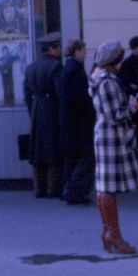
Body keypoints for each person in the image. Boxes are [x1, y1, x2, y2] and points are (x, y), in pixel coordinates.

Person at [90, 40, 138, 254]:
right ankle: (114, 235)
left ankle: (108, 231)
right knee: (108, 189)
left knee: (103, 187)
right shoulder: (109, 83)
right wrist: (131, 107)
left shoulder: (97, 77)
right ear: (114, 61)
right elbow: (115, 116)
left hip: (103, 135)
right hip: (112, 138)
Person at [24, 32, 63, 198]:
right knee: (53, 149)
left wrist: (32, 109)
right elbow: (59, 92)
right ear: (52, 49)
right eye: (58, 47)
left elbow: (26, 93)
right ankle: (53, 188)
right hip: (51, 109)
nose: (60, 50)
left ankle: (38, 189)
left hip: (36, 109)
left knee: (37, 150)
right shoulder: (56, 66)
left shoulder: (30, 67)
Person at [59, 40, 96, 205]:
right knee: (85, 157)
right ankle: (75, 190)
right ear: (77, 51)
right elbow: (78, 98)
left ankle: (69, 188)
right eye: (83, 50)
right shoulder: (76, 70)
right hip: (78, 122)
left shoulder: (68, 68)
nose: (85, 53)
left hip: (69, 121)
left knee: (71, 157)